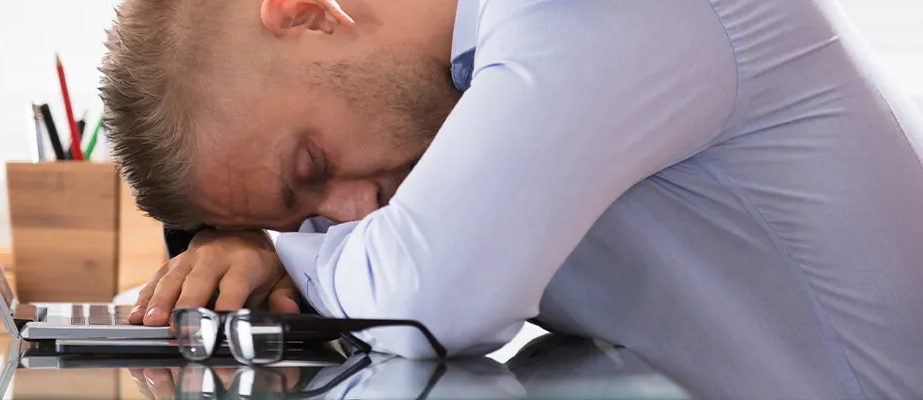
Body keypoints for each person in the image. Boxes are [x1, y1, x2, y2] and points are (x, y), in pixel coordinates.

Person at [99, 0, 923, 397]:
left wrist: (280, 251)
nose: (350, 212)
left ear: (311, 11)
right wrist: (248, 243)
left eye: (313, 163)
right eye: (304, 212)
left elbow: (430, 299)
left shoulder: (585, 10)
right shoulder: (455, 88)